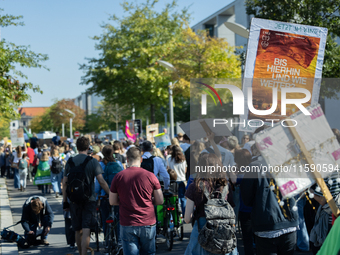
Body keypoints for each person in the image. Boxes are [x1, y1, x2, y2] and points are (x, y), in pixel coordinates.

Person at [240, 138, 298, 255]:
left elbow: (246, 198)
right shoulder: (287, 163)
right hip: (289, 222)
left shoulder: (253, 166)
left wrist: (260, 202)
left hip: (265, 223)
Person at [109, 147, 164, 255]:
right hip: (147, 222)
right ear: (141, 159)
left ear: (127, 159)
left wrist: (125, 199)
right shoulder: (151, 176)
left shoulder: (119, 177)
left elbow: (112, 201)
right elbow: (160, 200)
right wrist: (149, 199)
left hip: (128, 222)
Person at [62, 136, 110, 255]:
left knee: (77, 229)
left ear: (77, 147)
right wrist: (111, 194)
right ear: (88, 147)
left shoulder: (70, 161)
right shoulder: (92, 161)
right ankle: (84, 253)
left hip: (73, 199)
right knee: (86, 228)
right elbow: (101, 181)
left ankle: (80, 252)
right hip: (89, 199)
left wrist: (65, 201)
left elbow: (64, 182)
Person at [184, 153, 237, 255]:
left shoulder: (194, 187)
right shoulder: (225, 186)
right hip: (224, 232)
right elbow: (232, 211)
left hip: (202, 229)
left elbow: (187, 218)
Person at [95, 144, 123, 252]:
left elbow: (98, 184)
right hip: (117, 196)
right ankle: (120, 241)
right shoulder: (118, 163)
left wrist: (97, 195)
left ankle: (107, 243)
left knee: (105, 219)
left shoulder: (100, 165)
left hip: (105, 196)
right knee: (119, 219)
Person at [234, 149, 254, 255]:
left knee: (247, 239)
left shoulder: (240, 175)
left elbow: (233, 181)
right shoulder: (255, 171)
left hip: (245, 209)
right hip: (256, 208)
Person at [167, 145, 187, 214]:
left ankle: (177, 214)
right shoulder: (183, 159)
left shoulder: (170, 159)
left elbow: (168, 169)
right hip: (182, 180)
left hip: (173, 180)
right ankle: (184, 214)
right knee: (183, 198)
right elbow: (185, 170)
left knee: (175, 198)